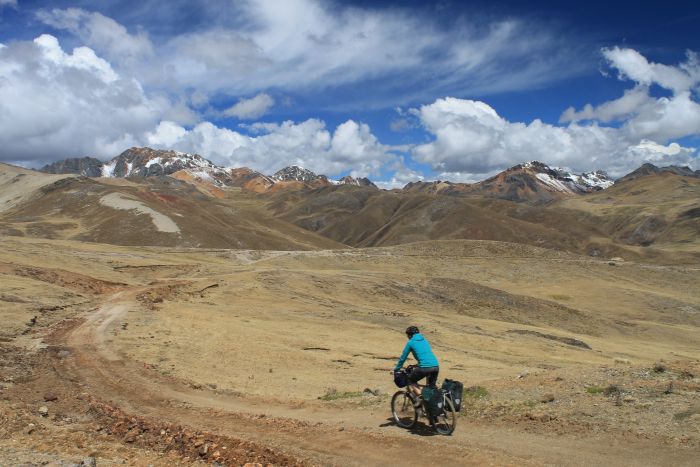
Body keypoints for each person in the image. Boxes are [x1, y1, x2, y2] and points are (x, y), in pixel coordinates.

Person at [392, 326, 439, 401]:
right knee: (431, 388)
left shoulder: (411, 342)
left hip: (424, 368)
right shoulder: (424, 340)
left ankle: (420, 398)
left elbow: (403, 357)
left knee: (410, 380)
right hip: (435, 366)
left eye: (407, 335)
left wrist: (397, 369)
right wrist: (416, 365)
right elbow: (425, 355)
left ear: (410, 335)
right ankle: (433, 407)